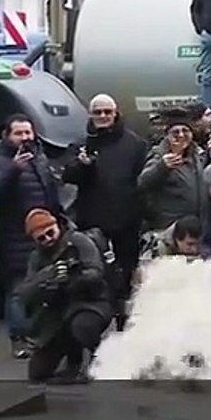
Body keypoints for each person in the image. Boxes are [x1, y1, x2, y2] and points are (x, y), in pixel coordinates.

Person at [62, 94, 149, 323]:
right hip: (91, 223)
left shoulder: (136, 144)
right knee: (93, 277)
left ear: (116, 113)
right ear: (90, 114)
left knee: (126, 277)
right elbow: (67, 176)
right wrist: (83, 166)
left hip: (126, 222)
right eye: (98, 112)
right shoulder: (80, 144)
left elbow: (144, 182)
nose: (103, 116)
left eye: (107, 112)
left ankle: (125, 321)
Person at [0, 114, 64, 359]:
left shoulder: (39, 157)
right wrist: (14, 169)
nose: (24, 138)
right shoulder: (0, 161)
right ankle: (18, 338)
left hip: (45, 232)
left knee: (45, 284)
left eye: (28, 132)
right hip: (16, 236)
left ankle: (40, 335)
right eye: (19, 133)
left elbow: (50, 191)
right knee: (18, 288)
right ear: (7, 136)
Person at [14, 209, 112, 384]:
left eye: (50, 233)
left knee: (82, 326)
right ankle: (72, 363)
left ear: (57, 226)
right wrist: (46, 276)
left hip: (90, 302)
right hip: (57, 313)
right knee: (37, 372)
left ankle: (97, 361)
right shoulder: (36, 257)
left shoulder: (79, 241)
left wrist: (72, 276)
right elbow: (24, 294)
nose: (48, 239)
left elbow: (96, 272)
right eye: (41, 238)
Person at [138, 110, 207, 232]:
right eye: (176, 132)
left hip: (196, 226)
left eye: (185, 131)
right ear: (167, 135)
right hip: (170, 227)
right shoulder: (159, 154)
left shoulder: (198, 155)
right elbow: (143, 182)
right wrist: (162, 167)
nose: (181, 135)